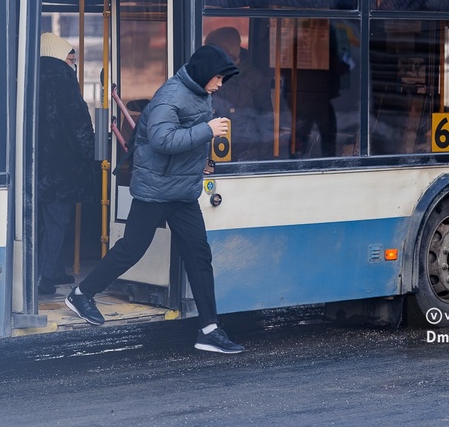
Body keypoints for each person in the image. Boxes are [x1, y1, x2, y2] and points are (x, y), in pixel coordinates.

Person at [65, 44, 245, 354]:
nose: (220, 85)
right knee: (132, 249)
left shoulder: (200, 94)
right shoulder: (170, 97)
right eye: (218, 78)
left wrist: (201, 157)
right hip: (156, 190)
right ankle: (82, 294)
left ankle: (209, 329)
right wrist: (207, 130)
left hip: (182, 191)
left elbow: (182, 136)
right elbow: (163, 141)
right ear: (204, 74)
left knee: (199, 257)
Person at [36, 33, 97, 295]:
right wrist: (90, 153)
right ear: (61, 58)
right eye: (71, 56)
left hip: (38, 166)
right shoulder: (63, 80)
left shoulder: (32, 78)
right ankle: (47, 277)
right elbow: (78, 125)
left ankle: (44, 270)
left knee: (43, 220)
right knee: (58, 220)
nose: (74, 61)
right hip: (62, 168)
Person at [207, 27, 273, 161]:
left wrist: (263, 151)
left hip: (247, 151)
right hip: (211, 149)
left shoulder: (255, 78)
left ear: (223, 50)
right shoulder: (207, 74)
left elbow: (266, 116)